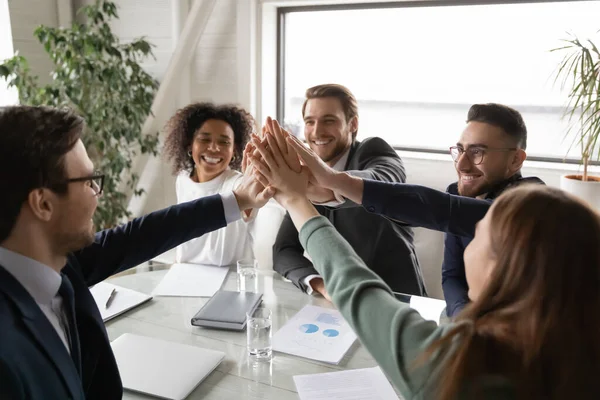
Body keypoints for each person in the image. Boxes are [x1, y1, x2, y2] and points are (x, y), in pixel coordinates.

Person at [249, 127, 600, 399]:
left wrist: (297, 202)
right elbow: (444, 209)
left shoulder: (457, 366)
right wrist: (331, 181)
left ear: (505, 271)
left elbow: (359, 290)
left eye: (479, 236)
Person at [0, 105, 272, 400]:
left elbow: (140, 235)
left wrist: (238, 199)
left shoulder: (61, 263)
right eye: (88, 182)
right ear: (43, 204)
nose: (96, 194)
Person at [272, 84, 425, 298]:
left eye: (329, 120)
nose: (316, 132)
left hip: (396, 297)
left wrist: (331, 182)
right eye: (310, 122)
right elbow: (283, 250)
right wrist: (322, 285)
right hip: (340, 303)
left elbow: (384, 179)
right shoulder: (305, 175)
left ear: (352, 124)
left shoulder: (373, 151)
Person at [442, 103, 543, 316]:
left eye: (477, 152)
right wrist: (463, 316)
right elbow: (452, 276)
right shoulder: (457, 195)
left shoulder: (531, 202)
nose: (461, 165)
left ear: (515, 159)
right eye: (460, 150)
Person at [163, 102, 284, 267]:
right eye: (205, 139)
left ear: (234, 150)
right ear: (190, 144)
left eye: (224, 142)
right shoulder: (182, 179)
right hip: (186, 275)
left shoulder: (237, 183)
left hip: (231, 281)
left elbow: (249, 197)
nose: (213, 148)